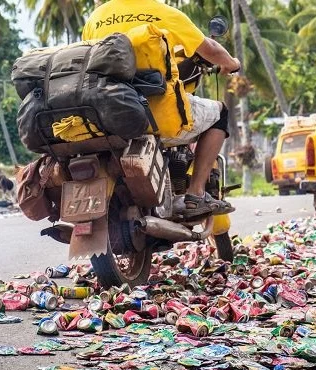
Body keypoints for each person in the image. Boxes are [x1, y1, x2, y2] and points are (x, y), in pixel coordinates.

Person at [82, 0, 240, 219]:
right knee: (220, 113)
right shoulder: (164, 13)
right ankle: (196, 194)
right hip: (156, 116)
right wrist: (232, 63)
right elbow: (210, 49)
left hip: (105, 115)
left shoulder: (96, 18)